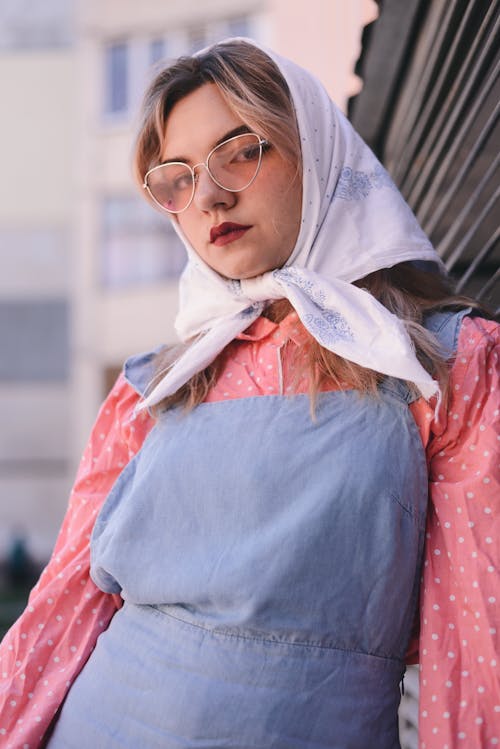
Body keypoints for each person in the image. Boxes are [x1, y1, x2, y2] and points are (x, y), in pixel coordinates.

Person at [0, 38, 498, 749]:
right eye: (177, 178)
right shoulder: (155, 385)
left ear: (318, 153)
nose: (208, 196)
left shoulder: (446, 365)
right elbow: (65, 606)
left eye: (241, 151)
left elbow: (477, 653)